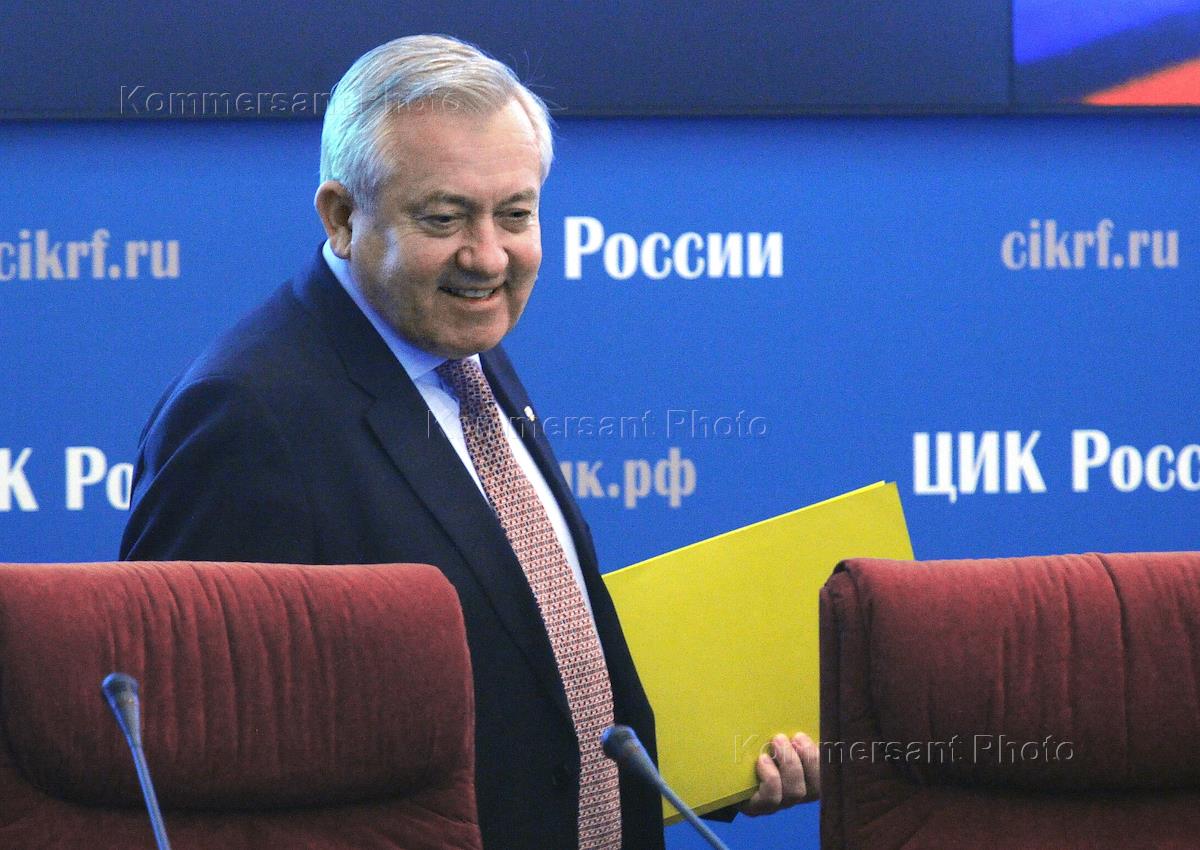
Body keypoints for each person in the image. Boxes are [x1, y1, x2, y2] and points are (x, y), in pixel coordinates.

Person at [121, 34, 817, 849]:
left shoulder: (461, 345)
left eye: (516, 214)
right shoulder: (243, 417)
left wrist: (721, 762)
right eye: (444, 218)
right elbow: (188, 761)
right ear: (342, 217)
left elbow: (532, 670)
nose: (488, 257)